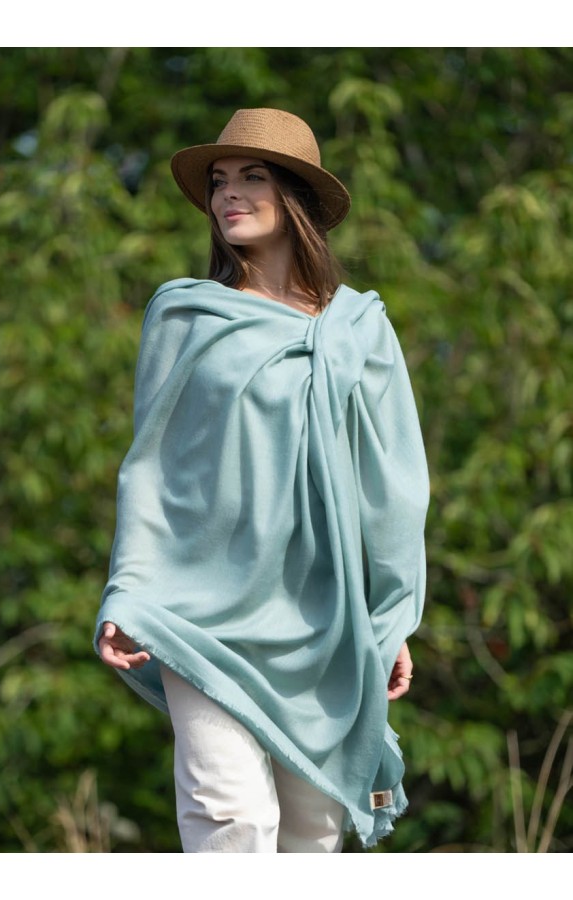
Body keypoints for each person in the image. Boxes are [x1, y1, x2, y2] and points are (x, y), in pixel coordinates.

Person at [94, 108, 429, 853]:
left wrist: (391, 616)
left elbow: (393, 487)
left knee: (313, 830)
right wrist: (128, 590)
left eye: (252, 178)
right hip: (196, 610)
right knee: (232, 815)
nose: (228, 195)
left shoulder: (359, 329)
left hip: (320, 618)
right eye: (219, 182)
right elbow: (151, 469)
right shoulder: (184, 315)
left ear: (296, 198)